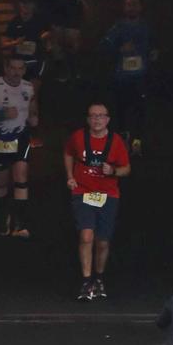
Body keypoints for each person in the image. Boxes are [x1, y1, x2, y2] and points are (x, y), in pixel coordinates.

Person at [63, 103, 131, 301]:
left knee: (102, 241)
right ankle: (86, 280)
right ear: (88, 119)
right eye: (93, 116)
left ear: (108, 119)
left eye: (101, 116)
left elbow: (127, 168)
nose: (97, 119)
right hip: (82, 192)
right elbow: (68, 153)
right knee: (86, 235)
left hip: (108, 194)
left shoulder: (116, 141)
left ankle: (99, 276)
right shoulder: (78, 137)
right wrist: (69, 176)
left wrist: (114, 171)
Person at [0, 55, 40, 238]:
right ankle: (1, 218)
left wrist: (34, 116)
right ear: (6, 68)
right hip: (1, 139)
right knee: (1, 182)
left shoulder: (28, 87)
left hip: (21, 137)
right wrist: (2, 113)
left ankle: (20, 224)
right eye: (13, 68)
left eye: (20, 68)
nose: (16, 72)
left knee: (21, 176)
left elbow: (33, 106)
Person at [101, 0, 157, 152]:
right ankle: (123, 140)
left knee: (141, 109)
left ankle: (137, 141)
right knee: (121, 109)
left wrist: (154, 52)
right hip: (121, 77)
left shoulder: (146, 27)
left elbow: (154, 44)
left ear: (141, 7)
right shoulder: (117, 27)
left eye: (135, 4)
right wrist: (119, 49)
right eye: (128, 5)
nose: (131, 7)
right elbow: (104, 45)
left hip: (141, 77)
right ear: (123, 8)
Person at [2, 0, 48, 88]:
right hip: (18, 63)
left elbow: (50, 33)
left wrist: (44, 38)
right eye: (23, 4)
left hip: (35, 61)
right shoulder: (15, 22)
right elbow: (4, 44)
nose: (25, 7)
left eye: (28, 4)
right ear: (19, 5)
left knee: (32, 92)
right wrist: (15, 43)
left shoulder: (40, 20)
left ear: (34, 6)